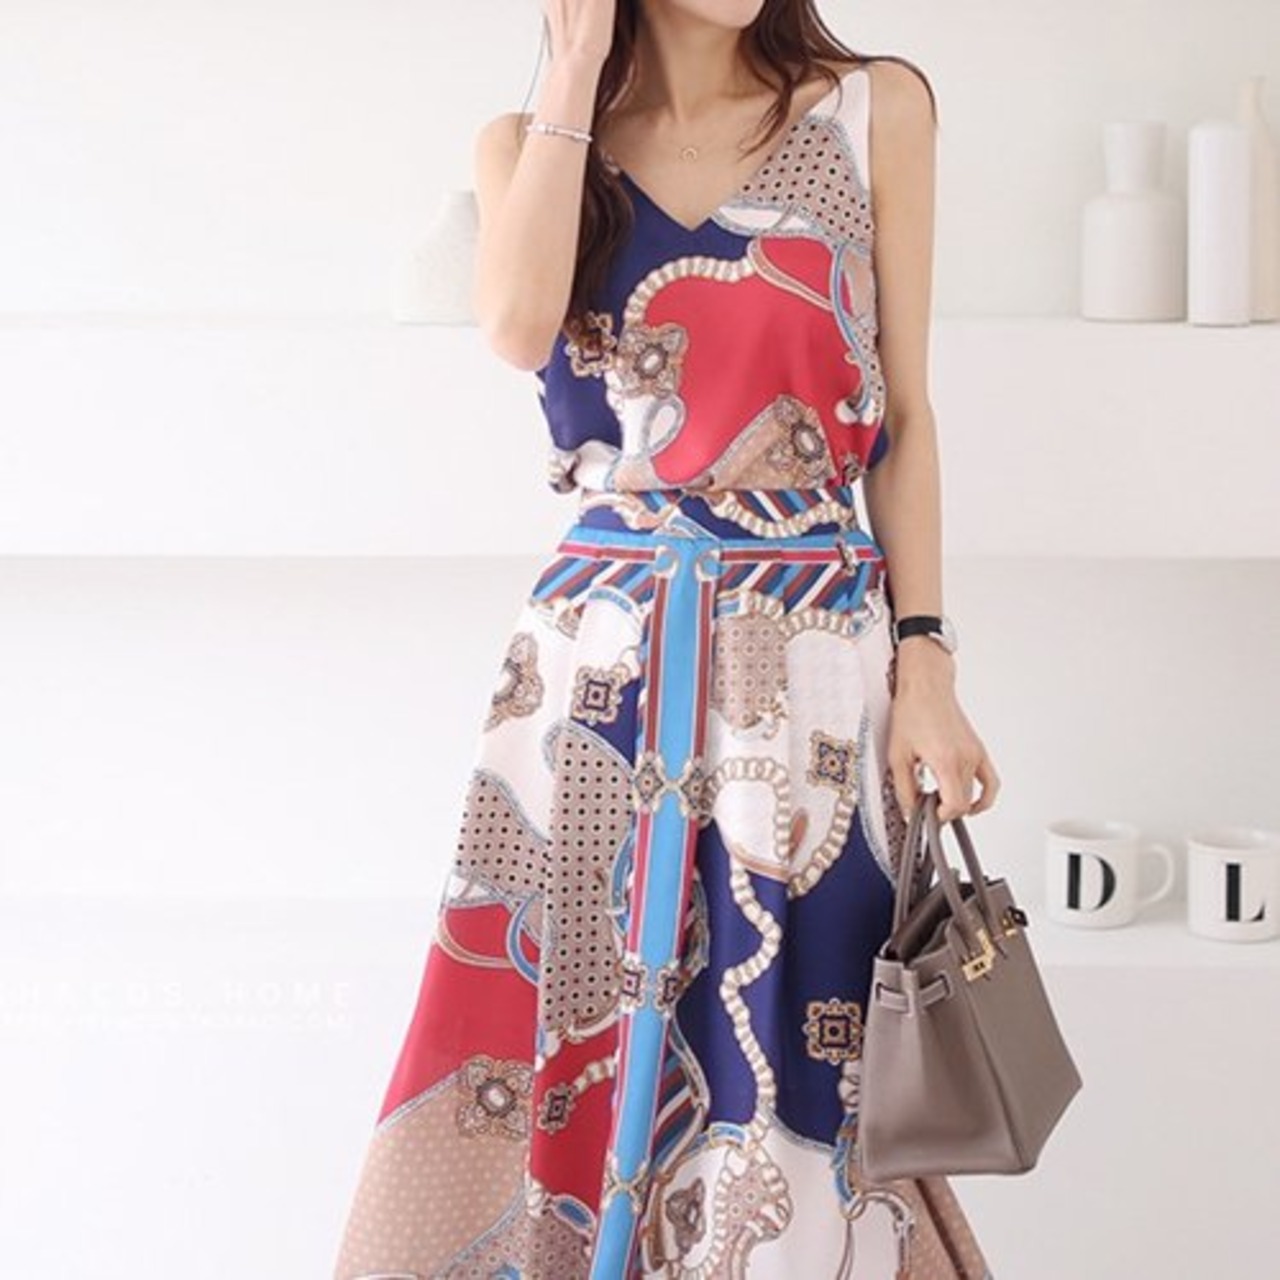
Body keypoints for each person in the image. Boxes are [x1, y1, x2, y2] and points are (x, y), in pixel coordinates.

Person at [332, 1, 1002, 1276]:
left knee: (807, 1036)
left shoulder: (874, 110)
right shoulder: (528, 143)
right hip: (598, 665)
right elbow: (515, 328)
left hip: (809, 657)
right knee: (569, 1013)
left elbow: (905, 419)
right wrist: (574, 68)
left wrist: (925, 659)